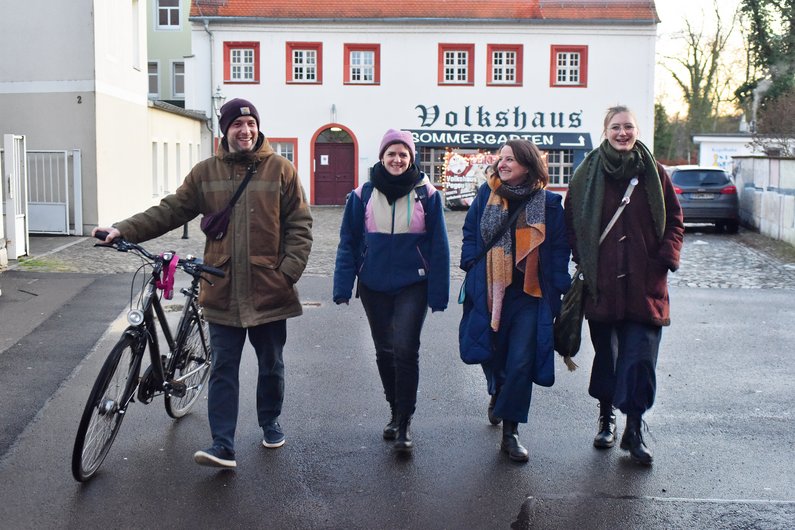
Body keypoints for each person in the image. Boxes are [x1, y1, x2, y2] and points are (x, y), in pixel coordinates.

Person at [93, 98, 313, 469]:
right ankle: (222, 444)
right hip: (222, 284)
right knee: (223, 365)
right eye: (237, 125)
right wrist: (123, 229)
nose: (245, 131)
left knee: (271, 363)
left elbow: (300, 225)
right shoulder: (205, 173)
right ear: (225, 130)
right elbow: (171, 209)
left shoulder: (281, 170)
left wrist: (287, 273)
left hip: (270, 287)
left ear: (258, 127)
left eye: (250, 124)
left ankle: (269, 420)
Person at [564, 105, 684, 465]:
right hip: (602, 285)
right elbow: (571, 221)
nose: (622, 133)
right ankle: (606, 417)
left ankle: (634, 428)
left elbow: (675, 221)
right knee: (609, 357)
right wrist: (583, 259)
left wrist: (663, 258)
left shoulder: (654, 173)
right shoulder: (586, 174)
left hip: (645, 285)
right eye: (616, 127)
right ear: (605, 131)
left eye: (628, 127)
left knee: (641, 359)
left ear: (636, 130)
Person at [333, 129, 450, 453]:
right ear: (382, 157)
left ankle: (405, 421)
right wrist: (343, 285)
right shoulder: (362, 195)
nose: (397, 159)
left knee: (404, 349)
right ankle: (394, 410)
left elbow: (439, 246)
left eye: (403, 154)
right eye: (391, 154)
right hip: (374, 285)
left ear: (411, 158)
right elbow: (349, 243)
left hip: (413, 284)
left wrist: (438, 293)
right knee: (384, 351)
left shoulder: (428, 194)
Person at [459, 139, 571, 463]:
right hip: (490, 288)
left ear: (527, 164)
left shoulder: (548, 202)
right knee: (489, 353)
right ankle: (497, 389)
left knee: (521, 360)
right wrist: (471, 262)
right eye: (501, 158)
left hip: (529, 295)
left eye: (510, 159)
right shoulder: (487, 193)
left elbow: (559, 246)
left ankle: (511, 431)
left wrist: (559, 286)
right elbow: (470, 232)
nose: (502, 164)